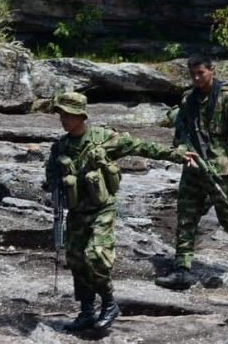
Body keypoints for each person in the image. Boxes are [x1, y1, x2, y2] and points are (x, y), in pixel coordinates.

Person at [45, 92, 193, 331]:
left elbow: (140, 146)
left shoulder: (104, 138)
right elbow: (50, 178)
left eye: (68, 114)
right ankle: (86, 311)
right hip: (76, 213)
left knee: (95, 256)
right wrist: (56, 183)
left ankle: (109, 303)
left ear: (81, 116)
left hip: (101, 209)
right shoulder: (60, 147)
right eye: (61, 114)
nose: (64, 119)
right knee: (76, 260)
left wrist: (174, 155)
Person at [154, 54, 228, 291]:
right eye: (192, 73)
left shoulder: (227, 98)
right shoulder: (188, 99)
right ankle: (182, 269)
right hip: (193, 167)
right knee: (186, 216)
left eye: (200, 72)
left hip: (218, 169)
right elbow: (180, 132)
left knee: (227, 217)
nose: (196, 77)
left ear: (212, 70)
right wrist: (181, 152)